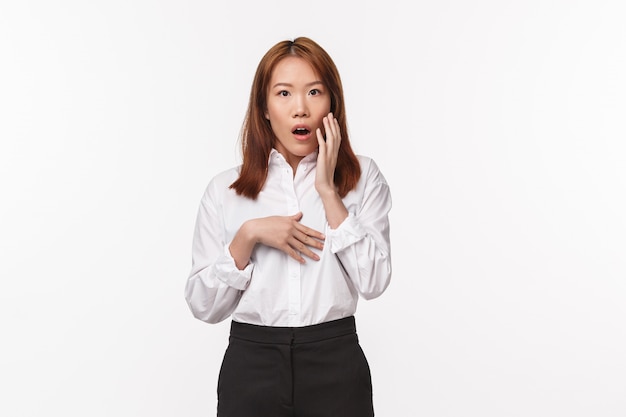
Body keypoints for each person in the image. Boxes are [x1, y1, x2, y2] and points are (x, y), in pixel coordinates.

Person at [185, 36, 392, 417]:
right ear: (264, 107)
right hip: (251, 365)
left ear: (332, 103)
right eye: (283, 93)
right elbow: (203, 305)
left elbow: (375, 282)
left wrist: (329, 193)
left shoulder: (363, 179)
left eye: (314, 91)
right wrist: (247, 237)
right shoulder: (225, 190)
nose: (300, 108)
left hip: (335, 361)